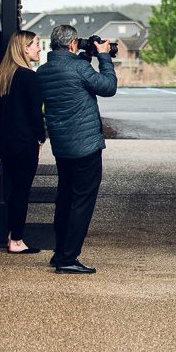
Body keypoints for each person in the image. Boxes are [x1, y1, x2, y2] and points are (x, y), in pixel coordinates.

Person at [36, 25, 117, 274]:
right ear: (72, 44)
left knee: (65, 198)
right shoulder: (79, 68)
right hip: (85, 146)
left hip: (63, 145)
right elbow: (107, 87)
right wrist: (103, 56)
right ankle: (68, 258)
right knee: (82, 201)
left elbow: (70, 81)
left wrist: (85, 57)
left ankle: (60, 252)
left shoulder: (43, 70)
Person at [0, 30, 45, 255]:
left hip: (4, 142)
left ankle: (9, 234)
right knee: (22, 191)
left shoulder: (1, 75)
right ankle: (17, 240)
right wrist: (41, 137)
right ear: (24, 48)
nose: (39, 49)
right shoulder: (28, 76)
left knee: (11, 189)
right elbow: (35, 113)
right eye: (35, 45)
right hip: (24, 142)